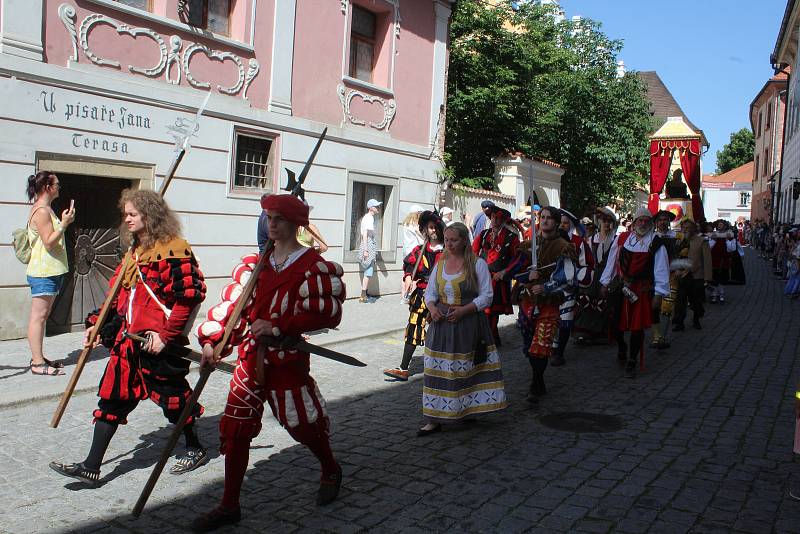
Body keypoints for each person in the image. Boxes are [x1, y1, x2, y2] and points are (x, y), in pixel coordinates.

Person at [192, 194, 346, 531]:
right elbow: (235, 308)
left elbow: (325, 313)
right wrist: (213, 343)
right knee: (235, 430)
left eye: (277, 218)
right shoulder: (256, 263)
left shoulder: (311, 265)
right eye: (268, 218)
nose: (271, 224)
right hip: (251, 357)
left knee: (301, 424)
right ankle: (229, 505)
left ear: (294, 223)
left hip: (287, 359)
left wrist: (280, 326)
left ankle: (330, 468)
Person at [50, 189, 208, 485]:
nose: (127, 218)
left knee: (173, 399)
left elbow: (188, 298)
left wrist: (166, 335)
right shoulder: (134, 253)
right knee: (112, 399)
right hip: (128, 342)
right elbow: (118, 296)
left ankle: (195, 447)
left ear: (149, 216)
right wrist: (97, 325)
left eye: (133, 214)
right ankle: (91, 466)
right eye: (126, 214)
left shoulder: (175, 249)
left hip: (157, 344)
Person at [417, 222, 506, 436]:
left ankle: (466, 410)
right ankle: (433, 418)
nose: (448, 244)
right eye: (446, 240)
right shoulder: (440, 263)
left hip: (467, 325)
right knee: (436, 371)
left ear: (464, 240)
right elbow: (430, 293)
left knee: (464, 369)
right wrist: (432, 308)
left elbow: (487, 296)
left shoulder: (477, 264)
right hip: (441, 326)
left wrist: (464, 310)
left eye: (453, 240)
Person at [512, 206, 576, 404]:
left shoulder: (563, 246)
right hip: (528, 302)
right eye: (543, 217)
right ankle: (537, 377)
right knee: (529, 344)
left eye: (549, 218)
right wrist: (521, 275)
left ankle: (536, 383)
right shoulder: (529, 245)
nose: (545, 220)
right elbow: (517, 268)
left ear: (556, 222)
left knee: (541, 344)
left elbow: (569, 277)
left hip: (548, 304)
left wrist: (546, 286)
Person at [600, 208, 669, 379]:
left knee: (637, 328)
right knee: (615, 323)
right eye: (640, 220)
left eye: (646, 221)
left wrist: (659, 293)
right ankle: (622, 346)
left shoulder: (656, 242)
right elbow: (612, 261)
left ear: (650, 224)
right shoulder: (623, 239)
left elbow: (661, 269)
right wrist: (605, 281)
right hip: (622, 287)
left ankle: (632, 359)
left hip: (641, 290)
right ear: (634, 223)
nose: (643, 223)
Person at [384, 211, 445, 381]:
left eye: (435, 227)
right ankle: (403, 368)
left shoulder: (448, 251)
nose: (432, 231)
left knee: (441, 330)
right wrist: (409, 277)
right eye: (429, 227)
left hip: (442, 297)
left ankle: (443, 367)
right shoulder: (419, 250)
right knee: (413, 326)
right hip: (421, 294)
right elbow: (409, 267)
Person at [24, 171, 75, 376]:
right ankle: (37, 363)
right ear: (47, 187)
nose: (59, 188)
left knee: (42, 317)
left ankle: (39, 356)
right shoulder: (42, 211)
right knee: (38, 317)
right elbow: (49, 241)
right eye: (57, 184)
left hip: (49, 270)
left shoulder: (45, 209)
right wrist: (64, 224)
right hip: (43, 272)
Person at [550, 209, 593, 366]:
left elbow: (586, 264)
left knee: (565, 319)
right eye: (560, 223)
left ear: (571, 225)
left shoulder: (578, 242)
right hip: (551, 287)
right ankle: (554, 347)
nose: (563, 225)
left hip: (569, 286)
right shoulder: (549, 239)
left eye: (566, 223)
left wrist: (578, 278)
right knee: (552, 317)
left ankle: (560, 351)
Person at [473, 206, 519, 346]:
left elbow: (517, 258)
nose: (495, 220)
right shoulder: (483, 235)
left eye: (499, 218)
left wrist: (505, 272)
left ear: (504, 220)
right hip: (481, 278)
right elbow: (472, 252)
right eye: (493, 217)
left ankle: (489, 338)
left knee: (492, 311)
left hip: (498, 280)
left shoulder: (512, 238)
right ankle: (492, 337)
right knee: (482, 309)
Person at [575, 207, 618, 345]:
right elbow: (584, 259)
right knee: (586, 299)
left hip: (610, 276)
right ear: (598, 222)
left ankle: (602, 332)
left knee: (604, 301)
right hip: (593, 276)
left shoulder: (616, 240)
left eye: (609, 221)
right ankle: (584, 331)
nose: (606, 224)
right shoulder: (590, 239)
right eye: (603, 221)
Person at [650, 210, 682, 350]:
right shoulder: (651, 237)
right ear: (656, 222)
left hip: (672, 275)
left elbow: (684, 254)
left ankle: (662, 335)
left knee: (667, 306)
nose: (663, 221)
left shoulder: (678, 237)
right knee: (654, 306)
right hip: (653, 276)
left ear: (669, 222)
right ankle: (657, 337)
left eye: (665, 219)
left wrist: (681, 269)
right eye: (660, 219)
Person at [673, 218, 711, 330]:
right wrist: (675, 269)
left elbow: (707, 260)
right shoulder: (679, 241)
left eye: (687, 228)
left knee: (696, 301)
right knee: (680, 300)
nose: (685, 230)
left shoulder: (701, 241)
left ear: (694, 229)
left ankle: (696, 319)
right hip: (682, 276)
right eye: (683, 228)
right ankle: (679, 322)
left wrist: (707, 278)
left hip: (696, 276)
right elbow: (675, 256)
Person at [358, 198, 382, 302]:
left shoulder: (368, 217)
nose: (378, 208)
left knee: (368, 271)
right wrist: (366, 249)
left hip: (368, 244)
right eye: (376, 206)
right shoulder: (368, 218)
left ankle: (365, 294)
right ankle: (363, 296)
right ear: (371, 208)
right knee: (368, 271)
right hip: (367, 245)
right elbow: (365, 233)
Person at [709, 220, 736, 303]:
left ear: (725, 226)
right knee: (714, 278)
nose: (719, 226)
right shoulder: (713, 235)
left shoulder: (729, 235)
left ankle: (721, 294)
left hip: (724, 260)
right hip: (714, 260)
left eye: (721, 224)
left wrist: (727, 240)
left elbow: (732, 249)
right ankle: (714, 294)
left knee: (722, 278)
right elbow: (709, 248)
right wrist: (714, 240)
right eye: (718, 224)